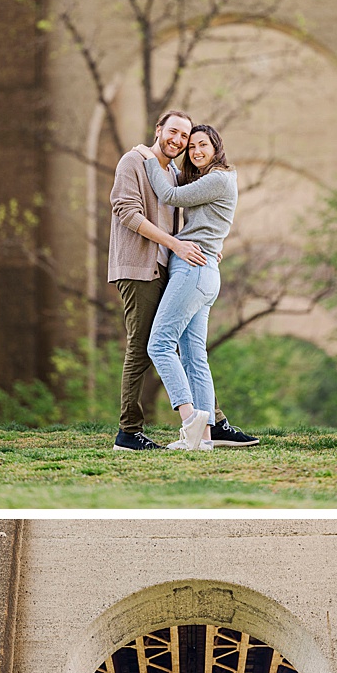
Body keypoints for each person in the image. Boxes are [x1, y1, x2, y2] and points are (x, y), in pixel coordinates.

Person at [136, 124, 257, 451]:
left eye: (202, 145)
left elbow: (170, 195)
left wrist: (149, 156)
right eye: (191, 148)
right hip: (203, 271)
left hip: (193, 271)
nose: (196, 151)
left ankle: (191, 422)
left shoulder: (218, 179)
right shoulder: (215, 180)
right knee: (193, 357)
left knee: (159, 345)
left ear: (216, 146)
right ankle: (203, 440)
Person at [106, 109, 190, 454]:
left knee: (179, 342)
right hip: (138, 269)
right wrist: (173, 244)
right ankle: (128, 432)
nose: (178, 140)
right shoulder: (132, 162)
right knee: (140, 348)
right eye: (173, 132)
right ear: (159, 130)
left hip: (163, 269)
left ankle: (208, 421)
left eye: (184, 136)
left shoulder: (170, 172)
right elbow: (125, 211)